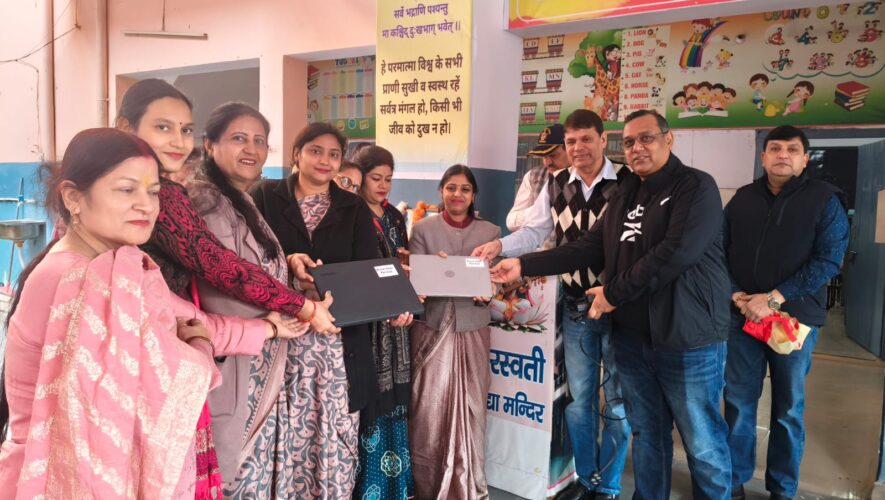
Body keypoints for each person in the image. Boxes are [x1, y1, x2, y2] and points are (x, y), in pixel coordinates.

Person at [0, 128, 299, 499]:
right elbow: (170, 385)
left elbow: (191, 320)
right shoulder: (80, 280)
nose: (146, 205)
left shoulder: (112, 266)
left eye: (154, 191)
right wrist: (200, 347)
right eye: (127, 190)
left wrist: (270, 328)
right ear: (73, 197)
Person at [492, 110, 733, 499]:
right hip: (634, 337)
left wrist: (612, 293)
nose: (638, 148)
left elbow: (675, 252)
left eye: (647, 138)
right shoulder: (628, 192)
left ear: (668, 139)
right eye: (631, 141)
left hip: (687, 338)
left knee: (702, 442)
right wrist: (523, 265)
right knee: (648, 434)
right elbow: (589, 247)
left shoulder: (695, 186)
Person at [189, 102, 372, 498]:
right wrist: (299, 300)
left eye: (259, 140)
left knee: (322, 436)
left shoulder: (242, 200)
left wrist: (290, 264)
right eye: (239, 138)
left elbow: (367, 268)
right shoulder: (226, 201)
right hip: (254, 348)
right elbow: (232, 273)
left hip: (315, 337)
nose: (251, 149)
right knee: (254, 458)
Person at [473, 109, 629, 500]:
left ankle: (609, 485)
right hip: (576, 306)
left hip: (620, 307)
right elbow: (535, 232)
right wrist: (499, 246)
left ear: (603, 138)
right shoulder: (557, 183)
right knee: (578, 401)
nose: (578, 148)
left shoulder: (628, 181)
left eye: (586, 139)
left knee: (618, 404)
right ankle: (586, 479)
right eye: (571, 142)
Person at [252, 123, 411, 496]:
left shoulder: (352, 206)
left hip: (336, 345)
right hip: (279, 336)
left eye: (334, 154)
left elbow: (367, 271)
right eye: (315, 151)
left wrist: (393, 306)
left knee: (332, 435)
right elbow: (250, 260)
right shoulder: (264, 197)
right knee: (279, 433)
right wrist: (290, 269)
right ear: (296, 154)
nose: (325, 161)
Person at [114, 79, 336, 334]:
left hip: (168, 330)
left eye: (186, 130)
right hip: (144, 332)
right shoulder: (186, 197)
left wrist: (290, 267)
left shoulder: (236, 197)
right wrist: (302, 308)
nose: (178, 141)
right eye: (163, 127)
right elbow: (221, 267)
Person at [724, 126, 849, 500]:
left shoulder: (825, 199)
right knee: (737, 404)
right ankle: (734, 483)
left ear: (805, 159)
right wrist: (735, 294)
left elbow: (829, 260)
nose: (783, 155)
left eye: (792, 150)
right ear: (763, 157)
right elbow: (718, 249)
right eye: (775, 148)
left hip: (793, 322)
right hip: (742, 317)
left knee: (788, 408)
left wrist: (773, 298)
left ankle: (783, 490)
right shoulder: (743, 199)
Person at [409, 165, 501, 499]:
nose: (457, 195)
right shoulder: (423, 229)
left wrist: (490, 290)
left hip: (473, 326)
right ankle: (428, 484)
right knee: (429, 407)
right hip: (433, 327)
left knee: (472, 405)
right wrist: (433, 271)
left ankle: (468, 483)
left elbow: (498, 281)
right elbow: (416, 280)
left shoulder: (491, 232)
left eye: (464, 189)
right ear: (441, 191)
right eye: (451, 188)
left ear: (473, 195)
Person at [351, 145, 415, 498]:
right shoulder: (352, 213)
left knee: (397, 401)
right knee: (372, 398)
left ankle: (396, 486)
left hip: (398, 323)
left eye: (389, 179)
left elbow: (400, 260)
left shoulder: (393, 215)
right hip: (369, 323)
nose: (383, 186)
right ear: (361, 177)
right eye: (376, 178)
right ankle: (369, 487)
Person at [507, 123, 569, 237]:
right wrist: (541, 209)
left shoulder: (585, 178)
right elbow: (511, 221)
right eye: (544, 156)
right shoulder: (533, 176)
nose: (547, 163)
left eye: (554, 155)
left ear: (570, 149)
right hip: (539, 246)